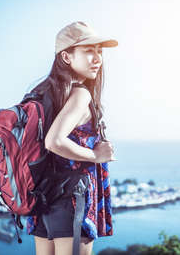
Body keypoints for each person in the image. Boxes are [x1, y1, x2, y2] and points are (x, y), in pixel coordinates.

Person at [25, 21, 118, 255]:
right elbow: (54, 141)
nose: (97, 59)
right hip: (72, 199)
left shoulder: (42, 92)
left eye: (99, 51)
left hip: (43, 197)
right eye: (89, 51)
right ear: (66, 57)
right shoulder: (79, 94)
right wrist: (95, 155)